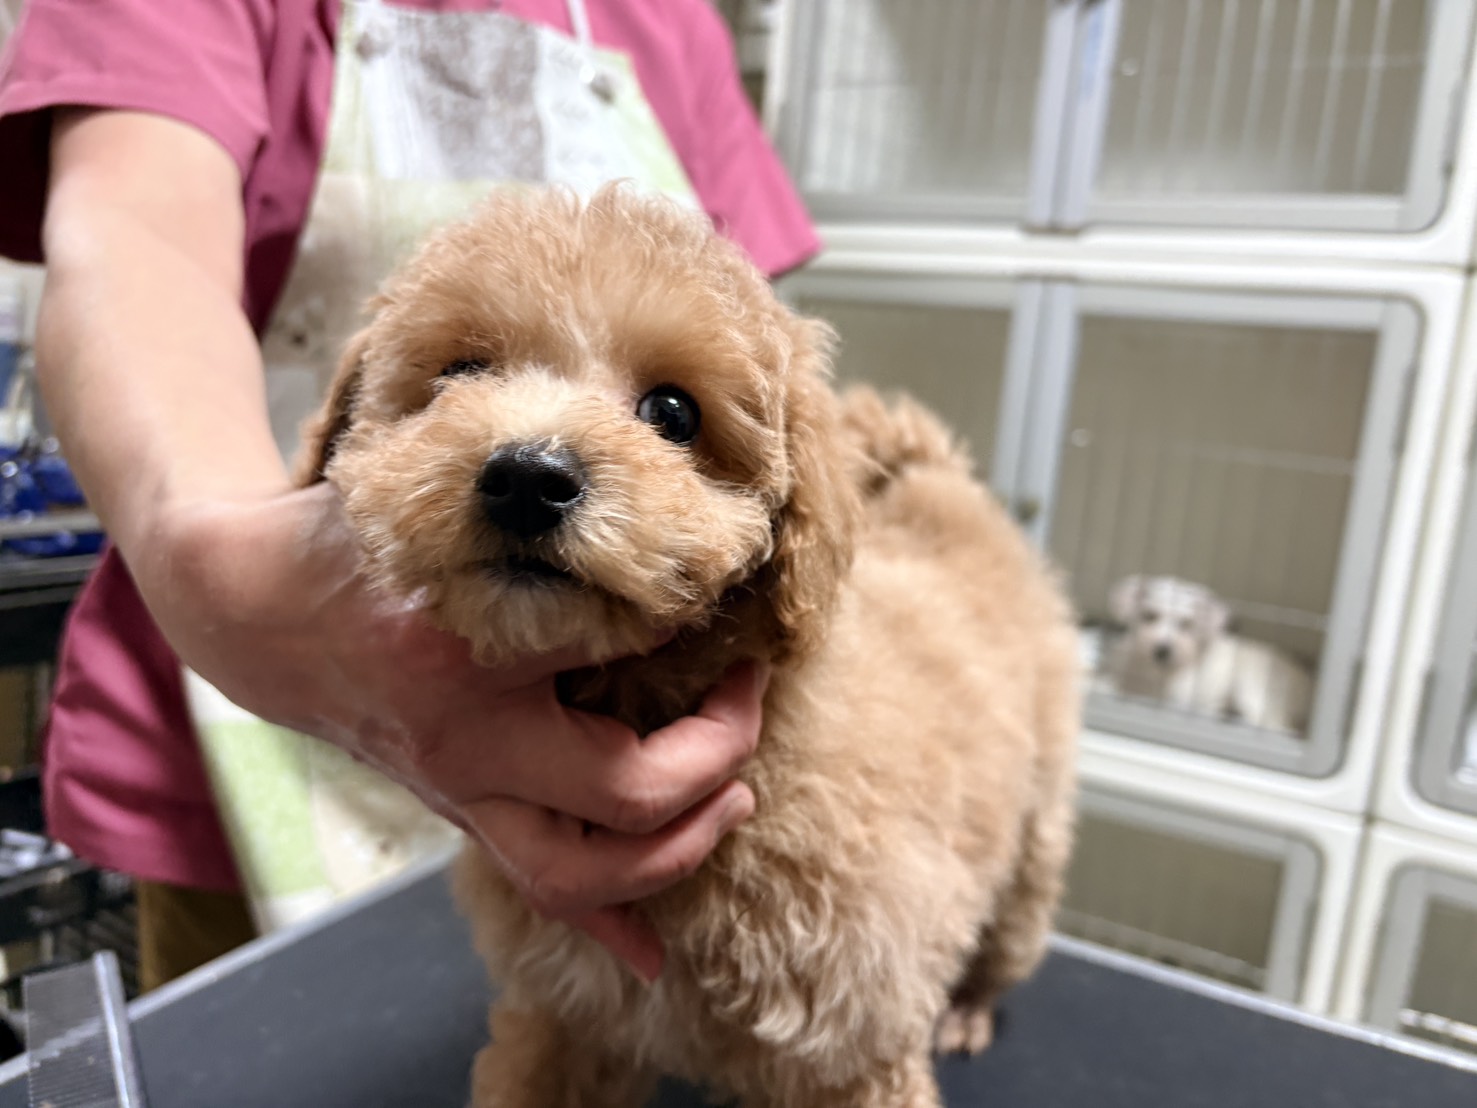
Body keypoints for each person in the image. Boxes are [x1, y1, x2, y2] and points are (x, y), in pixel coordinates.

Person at [0, 0, 818, 990]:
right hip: (234, 743)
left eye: (663, 412)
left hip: (625, 751)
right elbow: (138, 242)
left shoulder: (669, 20)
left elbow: (759, 371)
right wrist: (230, 577)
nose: (534, 453)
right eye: (462, 371)